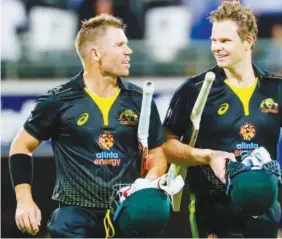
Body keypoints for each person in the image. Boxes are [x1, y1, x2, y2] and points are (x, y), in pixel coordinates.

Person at [163, 2, 282, 238]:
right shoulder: (194, 89)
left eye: (225, 41)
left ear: (248, 41)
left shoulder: (278, 88)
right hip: (213, 213)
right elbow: (166, 145)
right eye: (214, 40)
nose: (216, 48)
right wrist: (207, 156)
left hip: (264, 213)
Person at [8, 14, 168, 238]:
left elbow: (157, 153)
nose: (129, 51)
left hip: (126, 216)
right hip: (73, 219)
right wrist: (24, 199)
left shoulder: (140, 99)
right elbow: (21, 146)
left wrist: (149, 180)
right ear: (95, 53)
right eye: (120, 45)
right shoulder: (58, 100)